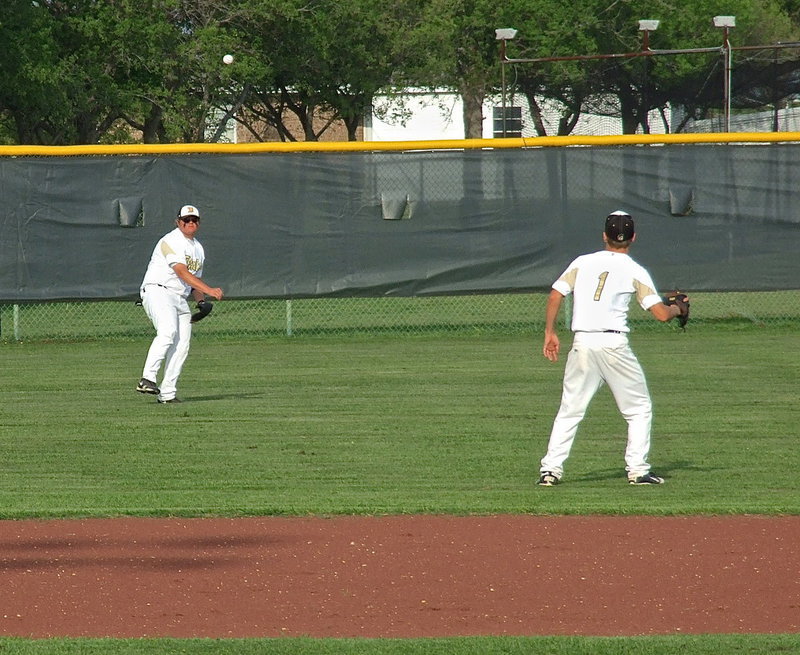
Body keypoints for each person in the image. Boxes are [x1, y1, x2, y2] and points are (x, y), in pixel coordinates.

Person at [537, 210, 683, 486]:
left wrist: (549, 332)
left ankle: (550, 471)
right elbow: (661, 314)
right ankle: (637, 470)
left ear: (604, 236)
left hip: (583, 343)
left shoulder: (582, 262)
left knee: (570, 409)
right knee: (639, 409)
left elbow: (556, 294)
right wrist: (677, 307)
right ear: (633, 238)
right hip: (614, 345)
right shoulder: (634, 269)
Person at [136, 204, 224, 404]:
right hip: (158, 290)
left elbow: (193, 281)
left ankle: (167, 393)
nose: (190, 223)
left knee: (182, 344)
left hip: (179, 297)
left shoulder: (198, 249)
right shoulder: (170, 241)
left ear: (198, 223)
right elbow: (181, 272)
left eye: (194, 220)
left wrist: (202, 302)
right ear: (178, 222)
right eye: (186, 220)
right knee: (168, 332)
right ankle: (147, 378)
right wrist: (210, 290)